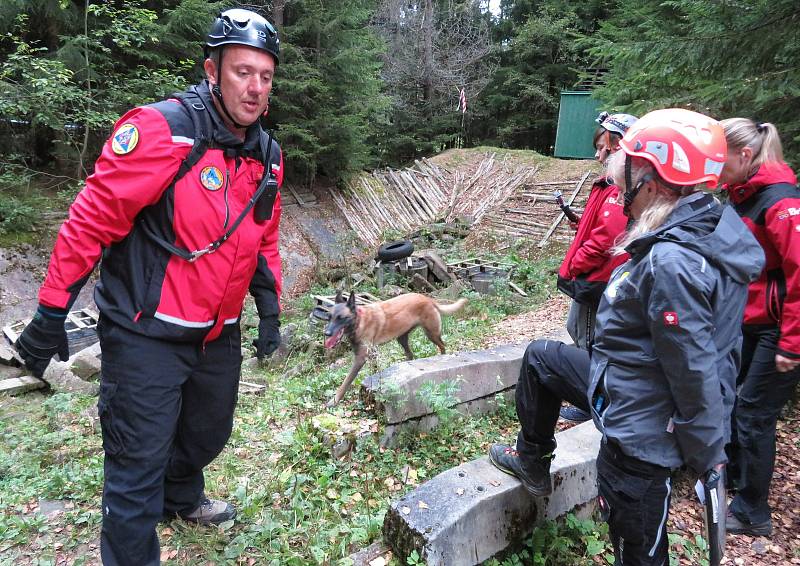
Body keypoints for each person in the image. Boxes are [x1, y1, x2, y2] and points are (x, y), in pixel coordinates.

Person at [13, 8, 284, 565]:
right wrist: (49, 313)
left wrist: (270, 306)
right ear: (213, 70)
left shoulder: (266, 156)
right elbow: (90, 220)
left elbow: (263, 237)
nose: (254, 88)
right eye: (241, 72)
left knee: (208, 435)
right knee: (135, 465)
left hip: (217, 332)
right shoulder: (163, 130)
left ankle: (180, 496)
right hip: (145, 331)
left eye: (264, 75)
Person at [489, 108, 764, 565]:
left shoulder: (673, 263)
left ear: (653, 186)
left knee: (637, 545)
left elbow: (696, 367)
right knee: (541, 358)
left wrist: (709, 454)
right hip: (628, 384)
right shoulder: (701, 227)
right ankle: (532, 460)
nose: (620, 195)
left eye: (626, 184)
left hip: (640, 435)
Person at [719, 118, 800, 537]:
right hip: (750, 323)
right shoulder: (742, 195)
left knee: (754, 413)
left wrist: (792, 344)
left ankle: (753, 512)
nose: (714, 164)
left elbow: (799, 270)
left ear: (744, 155)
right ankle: (734, 477)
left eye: (721, 155)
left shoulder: (780, 201)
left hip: (779, 331)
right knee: (736, 400)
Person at [555, 111, 636, 423]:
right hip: (598, 275)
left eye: (603, 146)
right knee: (581, 332)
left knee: (589, 339)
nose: (597, 153)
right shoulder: (611, 183)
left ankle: (592, 403)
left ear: (618, 146)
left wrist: (576, 264)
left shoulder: (618, 185)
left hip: (597, 278)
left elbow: (607, 237)